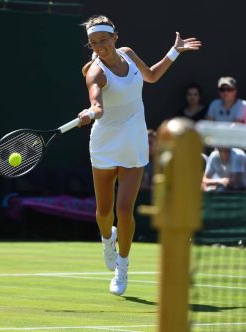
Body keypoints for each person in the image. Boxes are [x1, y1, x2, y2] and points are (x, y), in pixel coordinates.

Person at [78, 15, 201, 296]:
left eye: (103, 41)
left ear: (114, 37)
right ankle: (107, 238)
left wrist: (174, 51)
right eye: (93, 43)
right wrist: (91, 111)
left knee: (124, 209)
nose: (99, 47)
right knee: (104, 213)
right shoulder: (95, 73)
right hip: (105, 143)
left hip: (134, 140)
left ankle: (122, 267)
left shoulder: (129, 54)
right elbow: (97, 103)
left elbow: (153, 76)